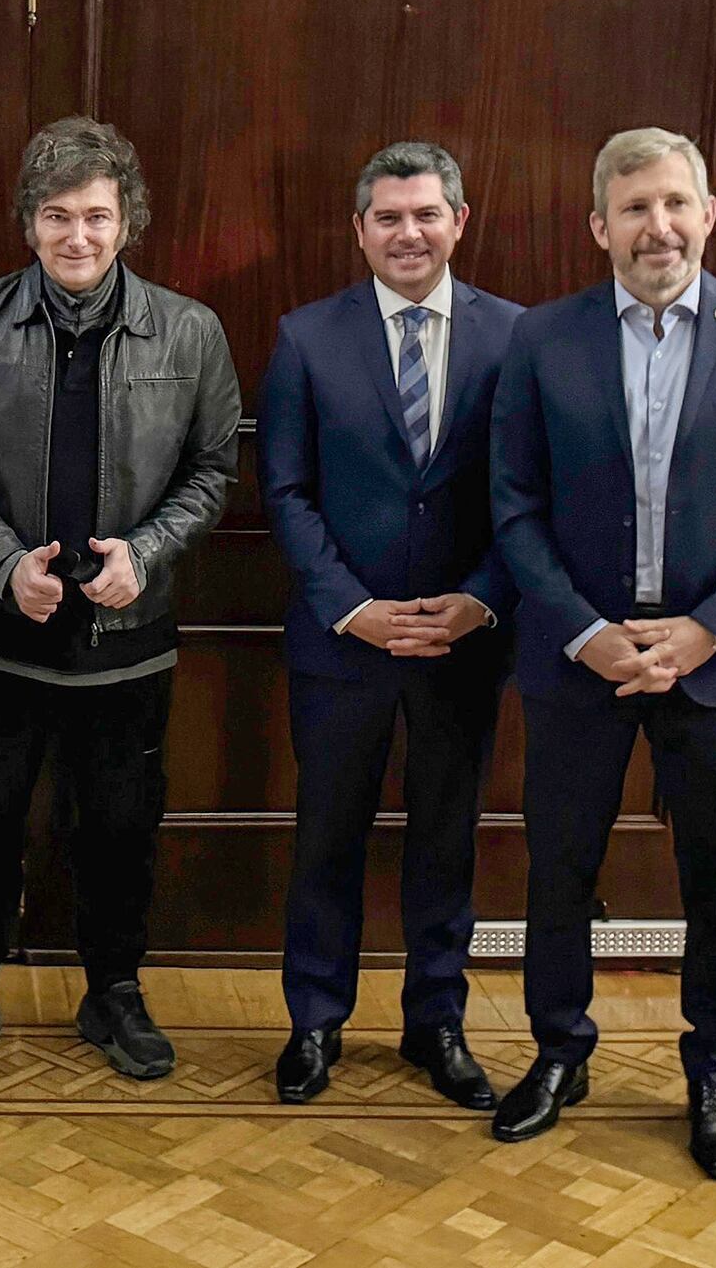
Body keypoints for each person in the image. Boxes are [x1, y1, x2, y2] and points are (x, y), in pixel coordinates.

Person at [488, 126, 716, 1179]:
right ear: (599, 225)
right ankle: (559, 1051)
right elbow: (514, 503)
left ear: (707, 214)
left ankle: (712, 1071)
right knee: (559, 866)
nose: (657, 225)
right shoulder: (541, 338)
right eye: (634, 207)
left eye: (675, 203)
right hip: (580, 651)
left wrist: (706, 627)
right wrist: (585, 632)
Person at [0, 116, 240, 1082]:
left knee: (121, 830)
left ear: (127, 219)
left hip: (129, 637)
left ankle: (114, 991)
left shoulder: (191, 329)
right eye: (57, 216)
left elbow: (215, 469)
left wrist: (150, 550)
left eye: (96, 215)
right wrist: (5, 563)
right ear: (28, 223)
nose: (78, 236)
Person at [261, 141, 520, 1108]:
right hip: (343, 644)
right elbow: (286, 492)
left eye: (426, 214)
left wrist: (480, 599)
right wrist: (353, 608)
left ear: (459, 221)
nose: (408, 232)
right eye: (388, 217)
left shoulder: (516, 337)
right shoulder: (305, 337)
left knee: (447, 838)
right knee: (327, 834)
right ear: (359, 230)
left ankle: (436, 1021)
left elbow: (528, 494)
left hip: (464, 640)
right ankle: (314, 1021)